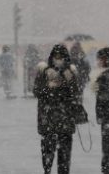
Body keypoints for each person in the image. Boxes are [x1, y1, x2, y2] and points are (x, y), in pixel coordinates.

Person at [33, 44, 81, 174]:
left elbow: (76, 93)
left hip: (65, 121)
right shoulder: (44, 71)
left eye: (61, 57)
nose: (58, 59)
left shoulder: (70, 73)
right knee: (47, 156)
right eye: (56, 56)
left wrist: (66, 86)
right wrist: (49, 86)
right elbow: (36, 91)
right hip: (48, 121)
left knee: (64, 159)